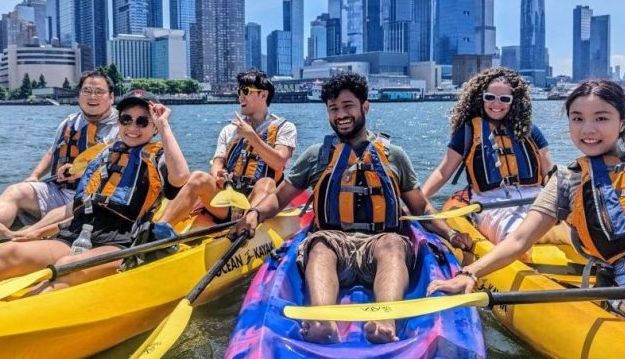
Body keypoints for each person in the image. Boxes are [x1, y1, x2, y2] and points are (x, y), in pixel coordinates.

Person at [427, 79, 625, 352]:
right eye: (577, 119)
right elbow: (519, 240)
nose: (588, 129)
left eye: (601, 118)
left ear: (623, 121)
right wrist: (470, 272)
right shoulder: (567, 181)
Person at [233, 72, 471, 345]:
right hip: (333, 242)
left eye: (348, 106)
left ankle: (385, 321)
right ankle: (323, 322)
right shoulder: (316, 156)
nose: (340, 115)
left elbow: (421, 207)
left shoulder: (394, 156)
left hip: (381, 242)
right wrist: (254, 213)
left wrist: (451, 235)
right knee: (319, 244)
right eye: (333, 109)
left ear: (364, 107)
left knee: (394, 243)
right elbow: (280, 197)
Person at [0, 89, 190, 291]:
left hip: (119, 243)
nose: (133, 127)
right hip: (75, 234)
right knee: (9, 252)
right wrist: (35, 232)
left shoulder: (160, 157)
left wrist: (164, 126)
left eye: (143, 121)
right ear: (119, 122)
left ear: (154, 127)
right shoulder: (104, 155)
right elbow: (79, 201)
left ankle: (18, 316)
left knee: (67, 266)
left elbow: (181, 176)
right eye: (126, 119)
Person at [422, 67, 555, 243]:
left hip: (537, 200)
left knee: (571, 233)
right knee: (519, 236)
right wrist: (419, 200)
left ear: (514, 101)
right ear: (481, 98)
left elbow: (549, 172)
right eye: (490, 97)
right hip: (493, 204)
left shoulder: (529, 129)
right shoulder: (468, 131)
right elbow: (443, 172)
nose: (497, 104)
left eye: (504, 99)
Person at [0, 71, 119, 241]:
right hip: (59, 191)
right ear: (79, 96)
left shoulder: (124, 126)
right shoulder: (69, 123)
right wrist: (34, 176)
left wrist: (82, 171)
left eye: (99, 92)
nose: (92, 96)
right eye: (86, 91)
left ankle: (22, 235)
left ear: (111, 97)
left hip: (94, 197)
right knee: (15, 191)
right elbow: (52, 152)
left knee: (75, 205)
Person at [157, 69, 297, 229]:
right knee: (198, 177)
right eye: (239, 91)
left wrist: (252, 136)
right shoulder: (230, 130)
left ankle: (246, 226)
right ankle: (159, 229)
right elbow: (218, 162)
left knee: (266, 183)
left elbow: (279, 163)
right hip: (227, 200)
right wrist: (218, 175)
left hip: (259, 201)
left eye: (246, 91)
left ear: (263, 95)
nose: (240, 97)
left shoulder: (285, 128)